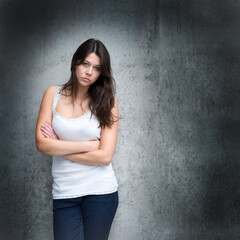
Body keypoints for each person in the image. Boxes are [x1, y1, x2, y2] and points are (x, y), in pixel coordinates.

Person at [35, 38, 119, 240]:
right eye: (85, 64)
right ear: (75, 63)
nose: (89, 72)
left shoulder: (108, 102)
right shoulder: (52, 94)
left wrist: (59, 147)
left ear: (101, 73)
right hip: (65, 193)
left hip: (101, 192)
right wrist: (87, 146)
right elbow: (42, 144)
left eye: (97, 68)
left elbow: (105, 157)